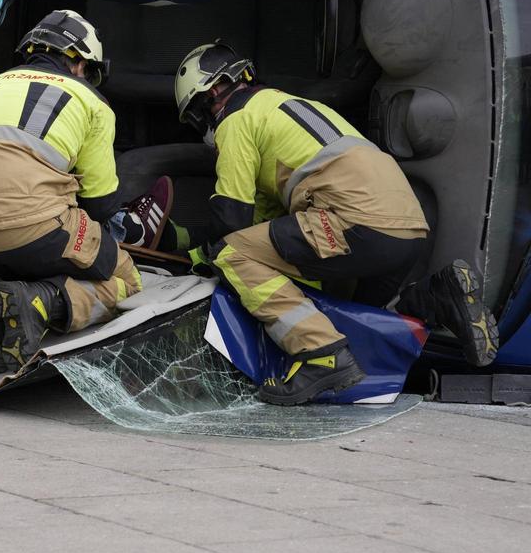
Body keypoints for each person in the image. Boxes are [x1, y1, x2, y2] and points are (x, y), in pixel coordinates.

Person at [172, 41, 499, 406]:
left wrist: (203, 256)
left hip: (355, 220)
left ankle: (319, 354)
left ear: (214, 91)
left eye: (199, 113)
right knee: (356, 319)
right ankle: (434, 298)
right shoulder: (287, 107)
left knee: (233, 256)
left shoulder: (236, 119)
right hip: (405, 223)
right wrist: (194, 246)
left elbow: (231, 220)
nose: (204, 126)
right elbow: (261, 228)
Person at [0, 10, 150, 375]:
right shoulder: (89, 101)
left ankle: (9, 297)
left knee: (37, 242)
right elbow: (100, 204)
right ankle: (43, 303)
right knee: (127, 280)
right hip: (35, 232)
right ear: (79, 62)